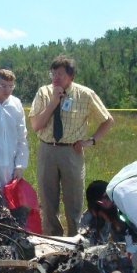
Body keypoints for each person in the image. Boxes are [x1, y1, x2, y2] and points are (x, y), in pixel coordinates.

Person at [29, 55, 114, 236]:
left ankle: (75, 239)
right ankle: (52, 239)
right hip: (47, 149)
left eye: (60, 74)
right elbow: (36, 125)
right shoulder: (44, 93)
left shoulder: (85, 94)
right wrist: (53, 102)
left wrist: (91, 141)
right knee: (47, 199)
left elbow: (107, 120)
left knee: (73, 200)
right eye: (53, 73)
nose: (55, 78)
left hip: (72, 152)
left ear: (71, 75)